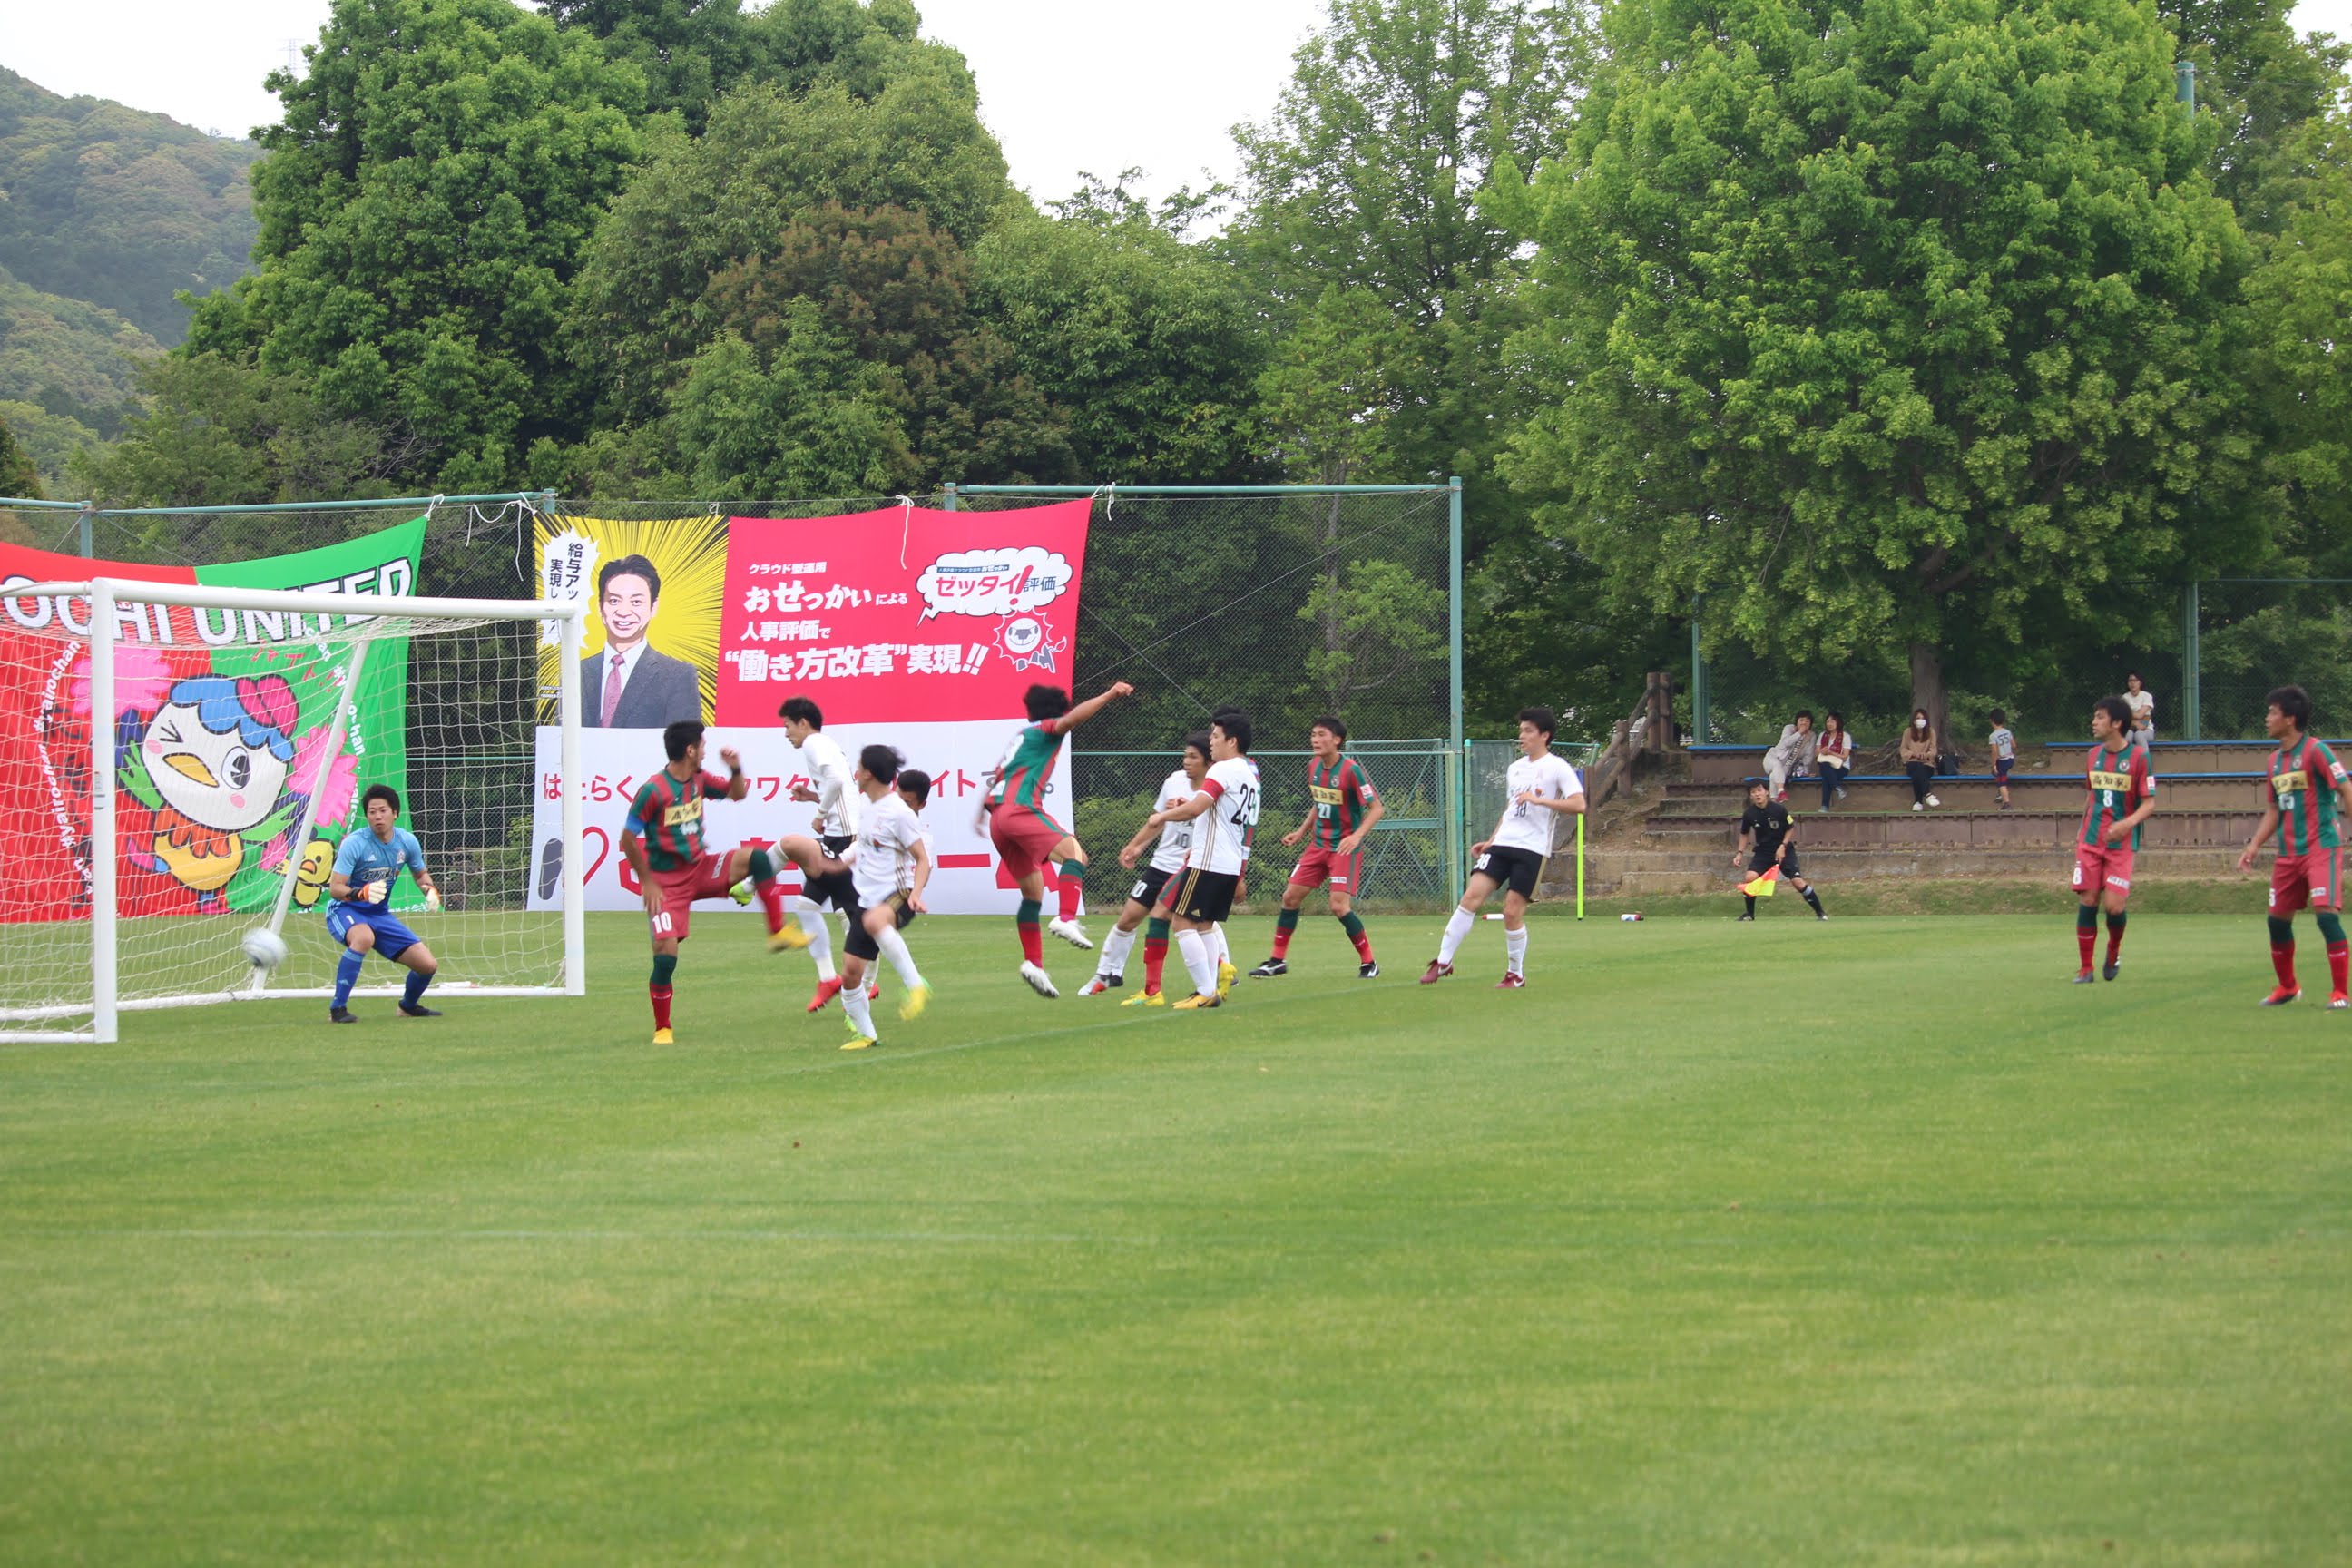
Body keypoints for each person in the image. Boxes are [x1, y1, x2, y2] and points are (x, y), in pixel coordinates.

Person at [620, 719, 825, 1044]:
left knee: (757, 859)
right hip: (666, 885)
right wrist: (647, 882)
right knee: (665, 955)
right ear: (690, 750)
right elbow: (628, 838)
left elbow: (738, 793)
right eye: (702, 745)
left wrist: (735, 768)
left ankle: (777, 931)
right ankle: (663, 1028)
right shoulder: (653, 791)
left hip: (700, 868)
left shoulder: (699, 779)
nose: (706, 751)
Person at [980, 680, 1134, 997]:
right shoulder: (1046, 729)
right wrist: (1109, 694)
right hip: (1020, 809)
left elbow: (996, 781)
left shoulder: (1022, 736)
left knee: (1032, 894)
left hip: (998, 819)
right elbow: (1070, 722)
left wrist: (978, 818)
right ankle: (1066, 917)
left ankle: (1033, 963)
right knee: (1076, 855)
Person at [1421, 708, 1586, 988]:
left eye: (1528, 731)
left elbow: (1579, 804)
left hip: (1532, 849)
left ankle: (1515, 974)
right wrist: (1491, 840)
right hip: (1503, 844)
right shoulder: (1515, 768)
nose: (1522, 736)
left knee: (1511, 911)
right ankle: (1443, 961)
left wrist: (1540, 801)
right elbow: (1511, 808)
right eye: (1521, 730)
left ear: (1544, 735)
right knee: (1470, 898)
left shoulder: (1558, 767)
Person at [2234, 685, 2352, 1008]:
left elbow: (2345, 788)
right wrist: (2254, 846)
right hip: (2288, 854)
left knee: (2326, 917)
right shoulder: (2274, 761)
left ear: (2290, 718)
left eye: (2272, 712)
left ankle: (2340, 993)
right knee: (2277, 921)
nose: (2267, 718)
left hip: (2321, 847)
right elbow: (2274, 809)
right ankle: (2288, 987)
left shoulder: (2317, 751)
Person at [1142, 710, 1261, 1010]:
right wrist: (1189, 804)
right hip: (1229, 862)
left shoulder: (1221, 770)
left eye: (1216, 736)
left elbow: (1197, 809)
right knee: (1204, 925)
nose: (1211, 741)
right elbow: (1216, 809)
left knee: (1181, 921)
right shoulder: (1248, 774)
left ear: (1232, 741)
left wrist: (1163, 816)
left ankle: (1205, 991)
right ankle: (1209, 991)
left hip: (1209, 861)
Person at [1252, 714, 1384, 979]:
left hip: (1344, 848)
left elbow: (1377, 808)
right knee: (1290, 897)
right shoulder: (1313, 766)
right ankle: (1277, 961)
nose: (1315, 739)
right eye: (1313, 735)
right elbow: (1319, 802)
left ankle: (1369, 963)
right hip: (1318, 845)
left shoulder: (1351, 770)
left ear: (1337, 740)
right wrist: (1301, 832)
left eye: (1322, 735)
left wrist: (1356, 836)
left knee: (1338, 906)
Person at [1080, 732, 1210, 1002]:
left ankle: (1199, 979)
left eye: (1193, 757)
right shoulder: (1174, 781)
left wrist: (1187, 809)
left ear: (1208, 762)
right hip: (1161, 864)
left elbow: (1216, 824)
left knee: (1190, 924)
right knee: (1128, 917)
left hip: (1191, 868)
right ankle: (1106, 974)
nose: (1186, 761)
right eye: (1185, 756)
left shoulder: (1214, 789)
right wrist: (1135, 846)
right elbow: (1157, 820)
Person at [773, 694, 873, 1014]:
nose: (786, 733)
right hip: (842, 833)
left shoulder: (814, 743)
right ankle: (836, 979)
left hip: (842, 837)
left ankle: (857, 980)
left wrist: (819, 813)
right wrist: (813, 797)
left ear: (803, 723)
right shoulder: (826, 744)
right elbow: (843, 788)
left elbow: (836, 781)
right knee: (814, 907)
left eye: (788, 726)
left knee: (849, 913)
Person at [836, 749, 936, 1050]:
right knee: (850, 973)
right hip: (867, 900)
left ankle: (916, 985)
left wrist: (916, 894)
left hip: (899, 895)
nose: (855, 773)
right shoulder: (867, 805)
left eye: (858, 768)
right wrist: (837, 864)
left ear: (868, 773)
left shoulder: (899, 813)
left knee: (874, 920)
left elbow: (923, 859)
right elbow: (864, 846)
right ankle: (866, 1035)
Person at [326, 784, 444, 1023]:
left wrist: (430, 891)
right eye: (372, 812)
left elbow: (420, 874)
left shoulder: (407, 842)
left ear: (395, 813)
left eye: (383, 811)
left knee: (428, 965)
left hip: (379, 914)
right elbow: (335, 888)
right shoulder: (355, 843)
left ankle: (408, 1006)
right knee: (364, 938)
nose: (377, 817)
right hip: (346, 909)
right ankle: (337, 1009)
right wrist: (361, 893)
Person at [2072, 696, 2158, 984]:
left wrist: (2127, 824)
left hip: (2121, 844)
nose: (2094, 722)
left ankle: (2113, 950)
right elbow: (2091, 796)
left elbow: (2149, 803)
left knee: (2114, 907)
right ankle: (2086, 969)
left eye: (2100, 717)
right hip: (2091, 841)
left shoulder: (2139, 758)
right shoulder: (2092, 755)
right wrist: (2081, 831)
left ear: (2117, 723)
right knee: (2088, 899)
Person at [579, 554, 701, 729]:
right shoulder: (578, 672)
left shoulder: (678, 676)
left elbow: (684, 741)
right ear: (600, 607)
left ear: (653, 607)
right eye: (614, 600)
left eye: (636, 601)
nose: (624, 612)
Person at [1732, 779, 1828, 920]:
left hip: (1784, 850)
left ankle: (1821, 913)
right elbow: (1744, 833)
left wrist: (1782, 845)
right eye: (1753, 792)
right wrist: (1739, 853)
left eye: (1759, 790)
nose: (1757, 794)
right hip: (1764, 852)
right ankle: (1750, 914)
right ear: (1750, 796)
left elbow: (1790, 828)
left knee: (1797, 882)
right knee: (1750, 878)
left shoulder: (1779, 809)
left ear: (1766, 792)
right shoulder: (1749, 814)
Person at [1763, 710, 1817, 803]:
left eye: (1807, 721)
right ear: (1797, 721)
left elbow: (1808, 756)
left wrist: (1805, 772)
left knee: (1774, 776)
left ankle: (1774, 803)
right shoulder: (1789, 728)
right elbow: (1786, 743)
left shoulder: (1811, 736)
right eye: (1801, 720)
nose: (1804, 723)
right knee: (1777, 765)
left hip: (1787, 764)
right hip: (1772, 758)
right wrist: (1799, 733)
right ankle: (1781, 791)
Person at [1899, 708, 1941, 809]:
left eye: (1923, 718)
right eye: (1918, 718)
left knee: (1919, 770)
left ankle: (1918, 802)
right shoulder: (1908, 732)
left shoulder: (1931, 732)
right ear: (1914, 720)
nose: (1920, 720)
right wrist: (1913, 754)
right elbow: (1903, 749)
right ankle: (1928, 794)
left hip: (1927, 764)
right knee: (1916, 766)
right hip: (1912, 763)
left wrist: (1925, 755)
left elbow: (1933, 750)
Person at [1813, 711, 1854, 812]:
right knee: (1825, 767)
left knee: (1826, 776)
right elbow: (1816, 754)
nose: (1829, 724)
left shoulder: (1845, 736)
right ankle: (1838, 788)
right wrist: (1822, 751)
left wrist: (1831, 752)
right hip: (1826, 765)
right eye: (1827, 722)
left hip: (1841, 767)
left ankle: (1824, 806)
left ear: (1838, 722)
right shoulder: (1822, 735)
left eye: (1832, 721)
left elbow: (1845, 757)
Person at [1988, 710, 2017, 810]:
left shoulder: (1993, 736)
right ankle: (2000, 791)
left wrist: (1994, 764)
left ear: (1991, 720)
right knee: (1995, 773)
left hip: (2002, 761)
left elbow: (1994, 752)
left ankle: (2006, 804)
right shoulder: (2008, 732)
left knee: (2002, 782)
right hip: (2010, 759)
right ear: (2003, 720)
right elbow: (2014, 745)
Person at [2123, 671, 2156, 744]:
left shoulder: (2147, 696)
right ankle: (2126, 752)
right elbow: (2123, 717)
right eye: (2130, 681)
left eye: (2135, 680)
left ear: (2140, 683)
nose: (2133, 683)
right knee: (2128, 735)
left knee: (2139, 735)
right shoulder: (2124, 698)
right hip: (2129, 727)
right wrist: (2135, 722)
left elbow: (2140, 716)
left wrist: (2130, 715)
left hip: (2147, 728)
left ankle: (2144, 753)